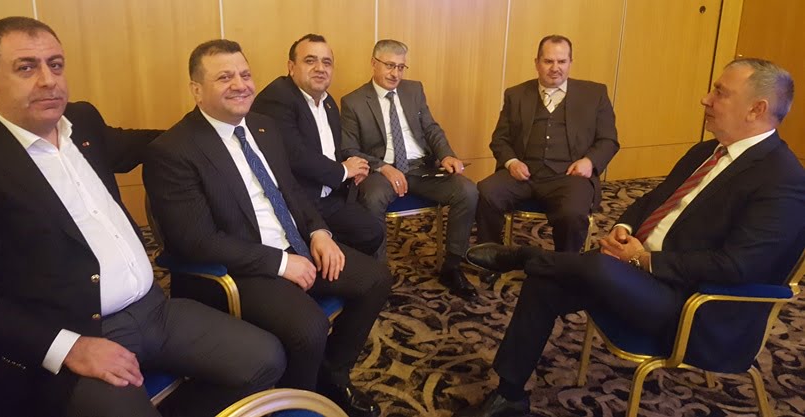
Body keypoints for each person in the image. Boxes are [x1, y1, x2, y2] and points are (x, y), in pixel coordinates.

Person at [0, 17, 285, 417]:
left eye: (56, 65)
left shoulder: (81, 121)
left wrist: (211, 134)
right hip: (71, 334)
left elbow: (149, 144)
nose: (48, 80)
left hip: (153, 309)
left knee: (264, 358)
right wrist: (70, 348)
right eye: (26, 67)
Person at [457, 58, 805, 417]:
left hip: (694, 304)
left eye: (720, 92)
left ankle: (525, 256)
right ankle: (509, 396)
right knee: (546, 280)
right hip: (641, 275)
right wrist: (624, 229)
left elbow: (737, 266)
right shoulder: (707, 151)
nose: (706, 99)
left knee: (595, 266)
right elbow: (653, 199)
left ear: (756, 109)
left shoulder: (783, 179)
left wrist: (643, 259)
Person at [143, 39, 392, 417]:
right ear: (196, 90)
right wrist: (280, 263)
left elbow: (291, 191)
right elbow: (195, 241)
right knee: (309, 327)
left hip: (295, 245)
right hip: (238, 267)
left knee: (375, 279)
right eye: (224, 77)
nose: (240, 85)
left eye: (245, 75)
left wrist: (319, 232)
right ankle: (295, 406)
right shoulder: (174, 150)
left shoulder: (263, 126)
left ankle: (331, 377)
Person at [340, 39, 479, 301]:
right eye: (390, 65)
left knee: (467, 191)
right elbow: (348, 149)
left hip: (420, 168)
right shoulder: (353, 101)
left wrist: (447, 155)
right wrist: (383, 167)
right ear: (373, 63)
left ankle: (452, 267)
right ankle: (379, 275)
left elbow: (431, 129)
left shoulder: (414, 90)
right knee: (372, 197)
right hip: (382, 171)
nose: (396, 73)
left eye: (401, 67)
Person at [476, 35, 619, 254]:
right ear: (537, 63)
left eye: (562, 61)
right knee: (486, 192)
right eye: (548, 61)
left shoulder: (595, 94)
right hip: (523, 174)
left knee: (572, 213)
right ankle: (490, 254)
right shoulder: (516, 95)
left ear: (570, 63)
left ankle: (563, 265)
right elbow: (500, 139)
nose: (555, 68)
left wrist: (589, 162)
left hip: (569, 176)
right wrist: (512, 162)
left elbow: (608, 140)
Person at [252, 34, 384, 257]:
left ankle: (341, 264)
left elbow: (331, 150)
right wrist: (343, 170)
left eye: (326, 62)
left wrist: (355, 167)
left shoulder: (328, 102)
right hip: (297, 201)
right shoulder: (278, 98)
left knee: (371, 232)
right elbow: (296, 155)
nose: (320, 68)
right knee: (348, 248)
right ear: (291, 67)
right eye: (310, 61)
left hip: (329, 196)